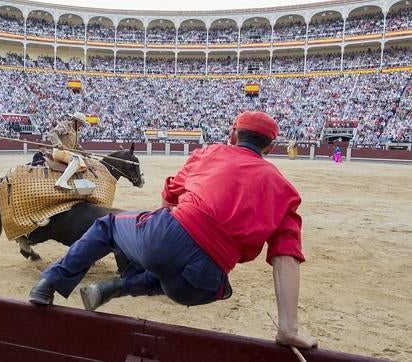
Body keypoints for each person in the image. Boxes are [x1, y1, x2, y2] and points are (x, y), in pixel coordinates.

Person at [28, 111, 318, 349]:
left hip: (170, 234)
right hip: (206, 283)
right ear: (270, 148)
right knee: (175, 276)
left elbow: (168, 198)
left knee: (106, 225)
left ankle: (49, 283)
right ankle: (116, 287)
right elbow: (286, 259)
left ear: (233, 135)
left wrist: (156, 242)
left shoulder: (210, 153)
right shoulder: (285, 191)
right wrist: (288, 329)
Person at [48, 112, 90, 190]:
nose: (81, 126)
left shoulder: (77, 131)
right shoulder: (66, 125)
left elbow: (76, 145)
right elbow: (52, 133)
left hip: (68, 153)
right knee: (77, 159)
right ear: (75, 121)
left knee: (83, 160)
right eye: (81, 123)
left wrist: (83, 152)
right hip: (59, 152)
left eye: (82, 124)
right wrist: (59, 144)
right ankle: (61, 182)